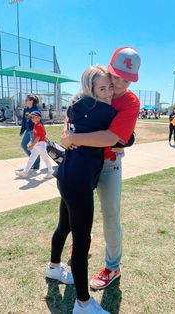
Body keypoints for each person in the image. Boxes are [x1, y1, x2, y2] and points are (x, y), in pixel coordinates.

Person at [60, 47, 141, 291]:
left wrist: (75, 138)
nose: (119, 83)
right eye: (116, 75)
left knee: (110, 217)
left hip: (108, 165)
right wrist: (67, 132)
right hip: (82, 161)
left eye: (126, 79)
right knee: (73, 211)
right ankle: (81, 242)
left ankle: (112, 267)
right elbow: (71, 112)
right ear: (108, 69)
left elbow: (111, 137)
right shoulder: (94, 86)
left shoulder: (129, 101)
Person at [47, 65, 119, 314]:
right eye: (102, 88)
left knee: (64, 227)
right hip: (77, 180)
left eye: (110, 86)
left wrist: (71, 135)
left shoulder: (78, 105)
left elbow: (69, 123)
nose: (109, 92)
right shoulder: (102, 111)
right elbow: (125, 137)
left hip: (67, 175)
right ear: (91, 89)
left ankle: (54, 267)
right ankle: (83, 303)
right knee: (81, 240)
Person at [15, 111, 53, 179]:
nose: (31, 118)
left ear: (38, 118)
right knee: (32, 159)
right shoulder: (36, 125)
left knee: (45, 159)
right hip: (37, 145)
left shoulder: (39, 125)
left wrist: (32, 145)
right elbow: (42, 134)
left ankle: (51, 172)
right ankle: (25, 172)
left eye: (33, 117)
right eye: (31, 117)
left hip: (40, 145)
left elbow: (38, 137)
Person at [19, 94, 40, 170]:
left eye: (26, 100)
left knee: (35, 148)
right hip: (28, 130)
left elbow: (39, 121)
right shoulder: (26, 109)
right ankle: (33, 161)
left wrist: (40, 131)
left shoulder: (36, 109)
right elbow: (24, 120)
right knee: (23, 145)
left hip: (34, 131)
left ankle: (36, 165)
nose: (25, 101)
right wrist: (22, 130)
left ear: (31, 101)